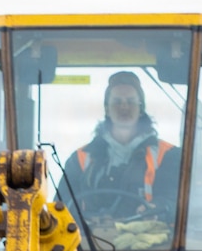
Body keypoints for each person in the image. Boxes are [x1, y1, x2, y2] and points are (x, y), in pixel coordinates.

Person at [57, 70, 181, 221]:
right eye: (117, 102)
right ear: (107, 109)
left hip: (151, 240)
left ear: (141, 108)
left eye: (131, 101)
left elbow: (175, 198)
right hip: (89, 241)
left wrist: (158, 207)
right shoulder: (81, 158)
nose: (124, 107)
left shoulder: (168, 156)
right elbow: (60, 207)